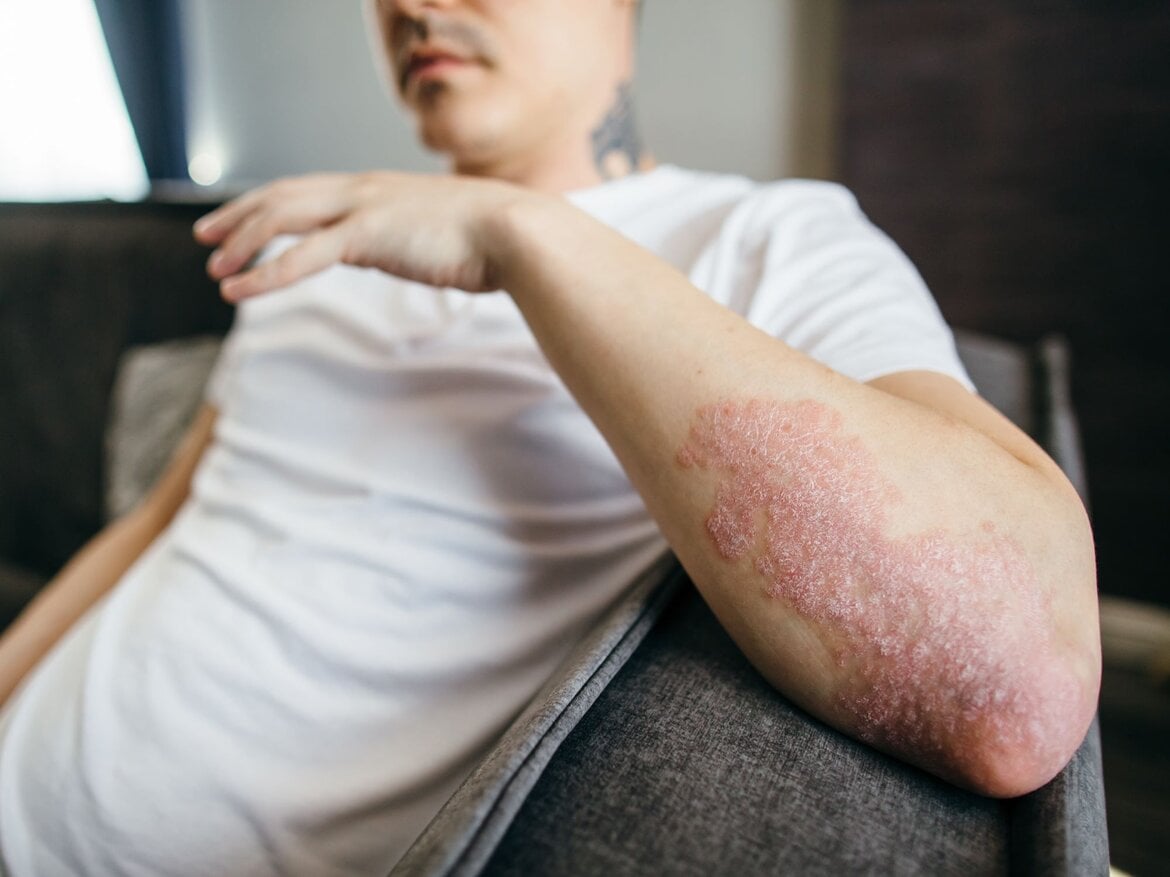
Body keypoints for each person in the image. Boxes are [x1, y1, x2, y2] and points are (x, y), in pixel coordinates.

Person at [0, 0, 1101, 873]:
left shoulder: (772, 238)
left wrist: (519, 232)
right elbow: (163, 518)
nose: (413, 7)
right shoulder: (314, 254)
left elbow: (1015, 677)